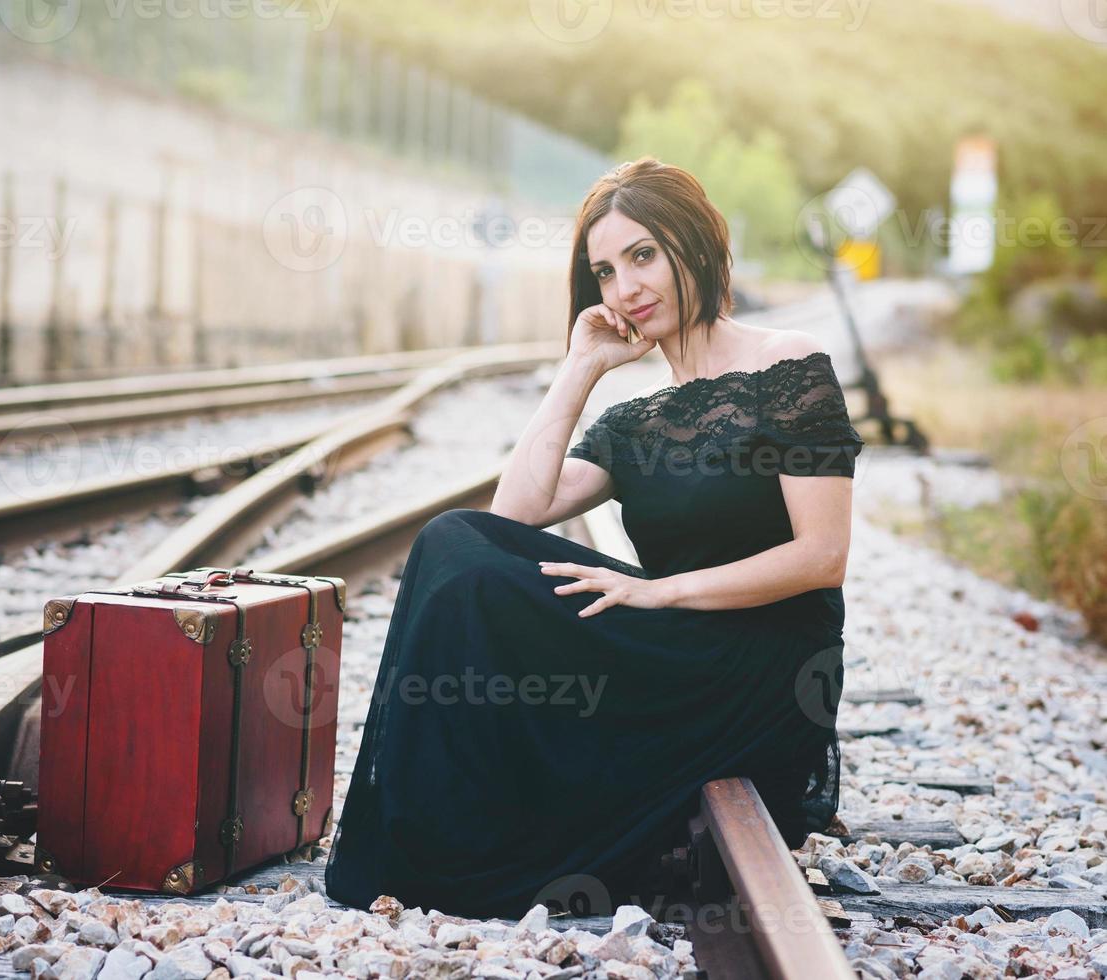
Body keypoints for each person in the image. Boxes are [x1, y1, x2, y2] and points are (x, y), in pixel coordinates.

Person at [323, 157, 863, 921]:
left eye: (643, 255)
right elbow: (509, 520)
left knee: (468, 555)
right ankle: (438, 833)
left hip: (761, 662)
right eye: (605, 272)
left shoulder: (788, 363)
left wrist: (658, 590)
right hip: (673, 646)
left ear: (698, 243)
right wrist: (579, 369)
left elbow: (822, 556)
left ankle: (468, 834)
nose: (626, 288)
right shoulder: (635, 420)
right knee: (451, 542)